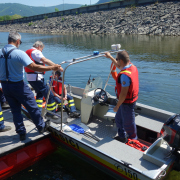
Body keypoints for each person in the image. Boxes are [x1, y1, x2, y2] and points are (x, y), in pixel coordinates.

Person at [0, 31, 61, 140]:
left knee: (15, 110)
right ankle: (41, 127)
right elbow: (34, 67)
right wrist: (52, 68)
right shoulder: (19, 53)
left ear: (8, 40)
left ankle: (21, 132)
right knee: (32, 107)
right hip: (18, 85)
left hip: (5, 86)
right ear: (18, 41)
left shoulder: (0, 52)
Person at [104, 50, 139, 143]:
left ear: (121, 60)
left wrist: (117, 106)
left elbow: (123, 95)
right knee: (118, 119)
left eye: (117, 59)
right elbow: (119, 66)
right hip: (125, 102)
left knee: (129, 124)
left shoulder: (124, 76)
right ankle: (122, 137)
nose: (116, 61)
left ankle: (133, 141)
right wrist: (110, 57)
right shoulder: (132, 66)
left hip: (127, 103)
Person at [24, 41, 63, 119]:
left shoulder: (27, 52)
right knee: (50, 95)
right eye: (42, 49)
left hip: (30, 78)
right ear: (39, 46)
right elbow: (45, 60)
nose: (41, 51)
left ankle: (37, 111)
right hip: (37, 78)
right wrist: (57, 67)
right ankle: (51, 113)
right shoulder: (36, 52)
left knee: (39, 94)